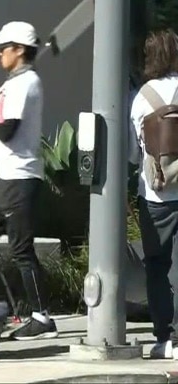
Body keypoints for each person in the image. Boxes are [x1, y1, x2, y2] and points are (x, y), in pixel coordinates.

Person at [0, 21, 57, 340]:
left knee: (21, 249)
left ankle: (42, 317)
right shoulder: (13, 81)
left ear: (19, 50)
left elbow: (7, 131)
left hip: (20, 178)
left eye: (4, 48)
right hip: (4, 179)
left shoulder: (25, 83)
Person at [129, 29, 178, 359]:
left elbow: (135, 153)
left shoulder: (140, 97)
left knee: (157, 267)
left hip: (155, 194)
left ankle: (165, 338)